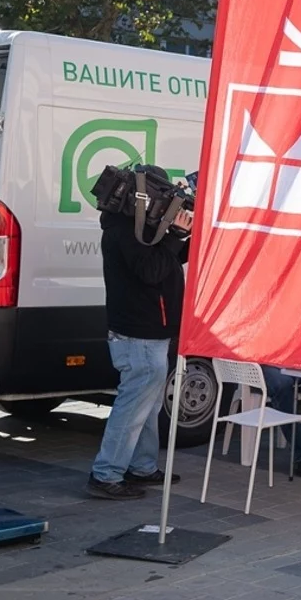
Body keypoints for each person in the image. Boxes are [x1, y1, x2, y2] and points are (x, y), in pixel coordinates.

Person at [87, 187, 190, 500]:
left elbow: (170, 258)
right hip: (140, 334)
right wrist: (175, 234)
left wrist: (185, 235)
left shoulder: (137, 228)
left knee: (147, 404)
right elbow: (152, 270)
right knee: (133, 408)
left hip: (148, 334)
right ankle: (106, 474)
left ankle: (143, 466)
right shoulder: (126, 231)